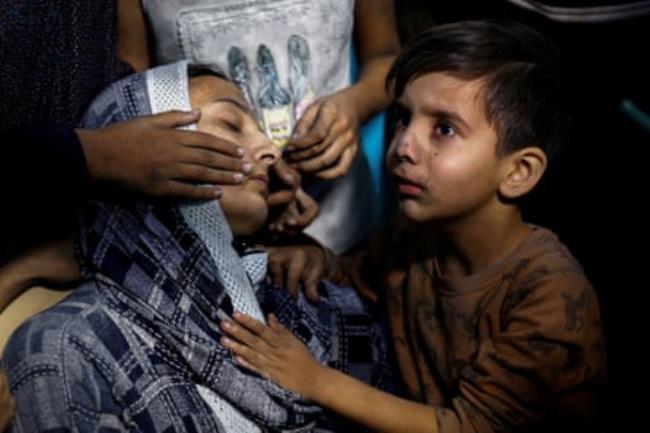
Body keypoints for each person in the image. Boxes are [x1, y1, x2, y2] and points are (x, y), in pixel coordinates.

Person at [219, 20, 607, 433]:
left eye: (444, 128)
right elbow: (359, 277)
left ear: (519, 172)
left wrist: (314, 380)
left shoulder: (549, 296)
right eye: (404, 118)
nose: (403, 146)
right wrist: (313, 256)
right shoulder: (412, 238)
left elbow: (468, 426)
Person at [2, 61, 391, 433]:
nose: (271, 152)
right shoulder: (66, 350)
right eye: (230, 124)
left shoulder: (291, 298)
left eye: (260, 129)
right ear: (141, 157)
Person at [118, 0, 401, 253]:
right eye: (231, 121)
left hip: (343, 221)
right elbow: (131, 102)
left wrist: (355, 105)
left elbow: (386, 56)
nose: (270, 153)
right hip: (209, 231)